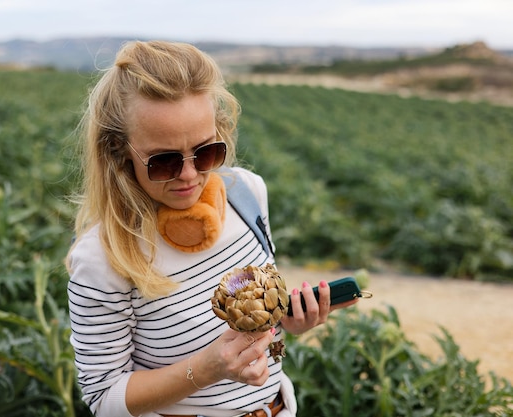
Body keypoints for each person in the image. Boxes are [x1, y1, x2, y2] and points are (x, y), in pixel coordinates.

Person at [66, 40, 358, 417]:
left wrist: (286, 321)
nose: (190, 175)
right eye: (164, 161)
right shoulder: (102, 257)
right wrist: (207, 369)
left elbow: (257, 318)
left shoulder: (247, 194)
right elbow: (104, 399)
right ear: (119, 152)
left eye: (206, 152)